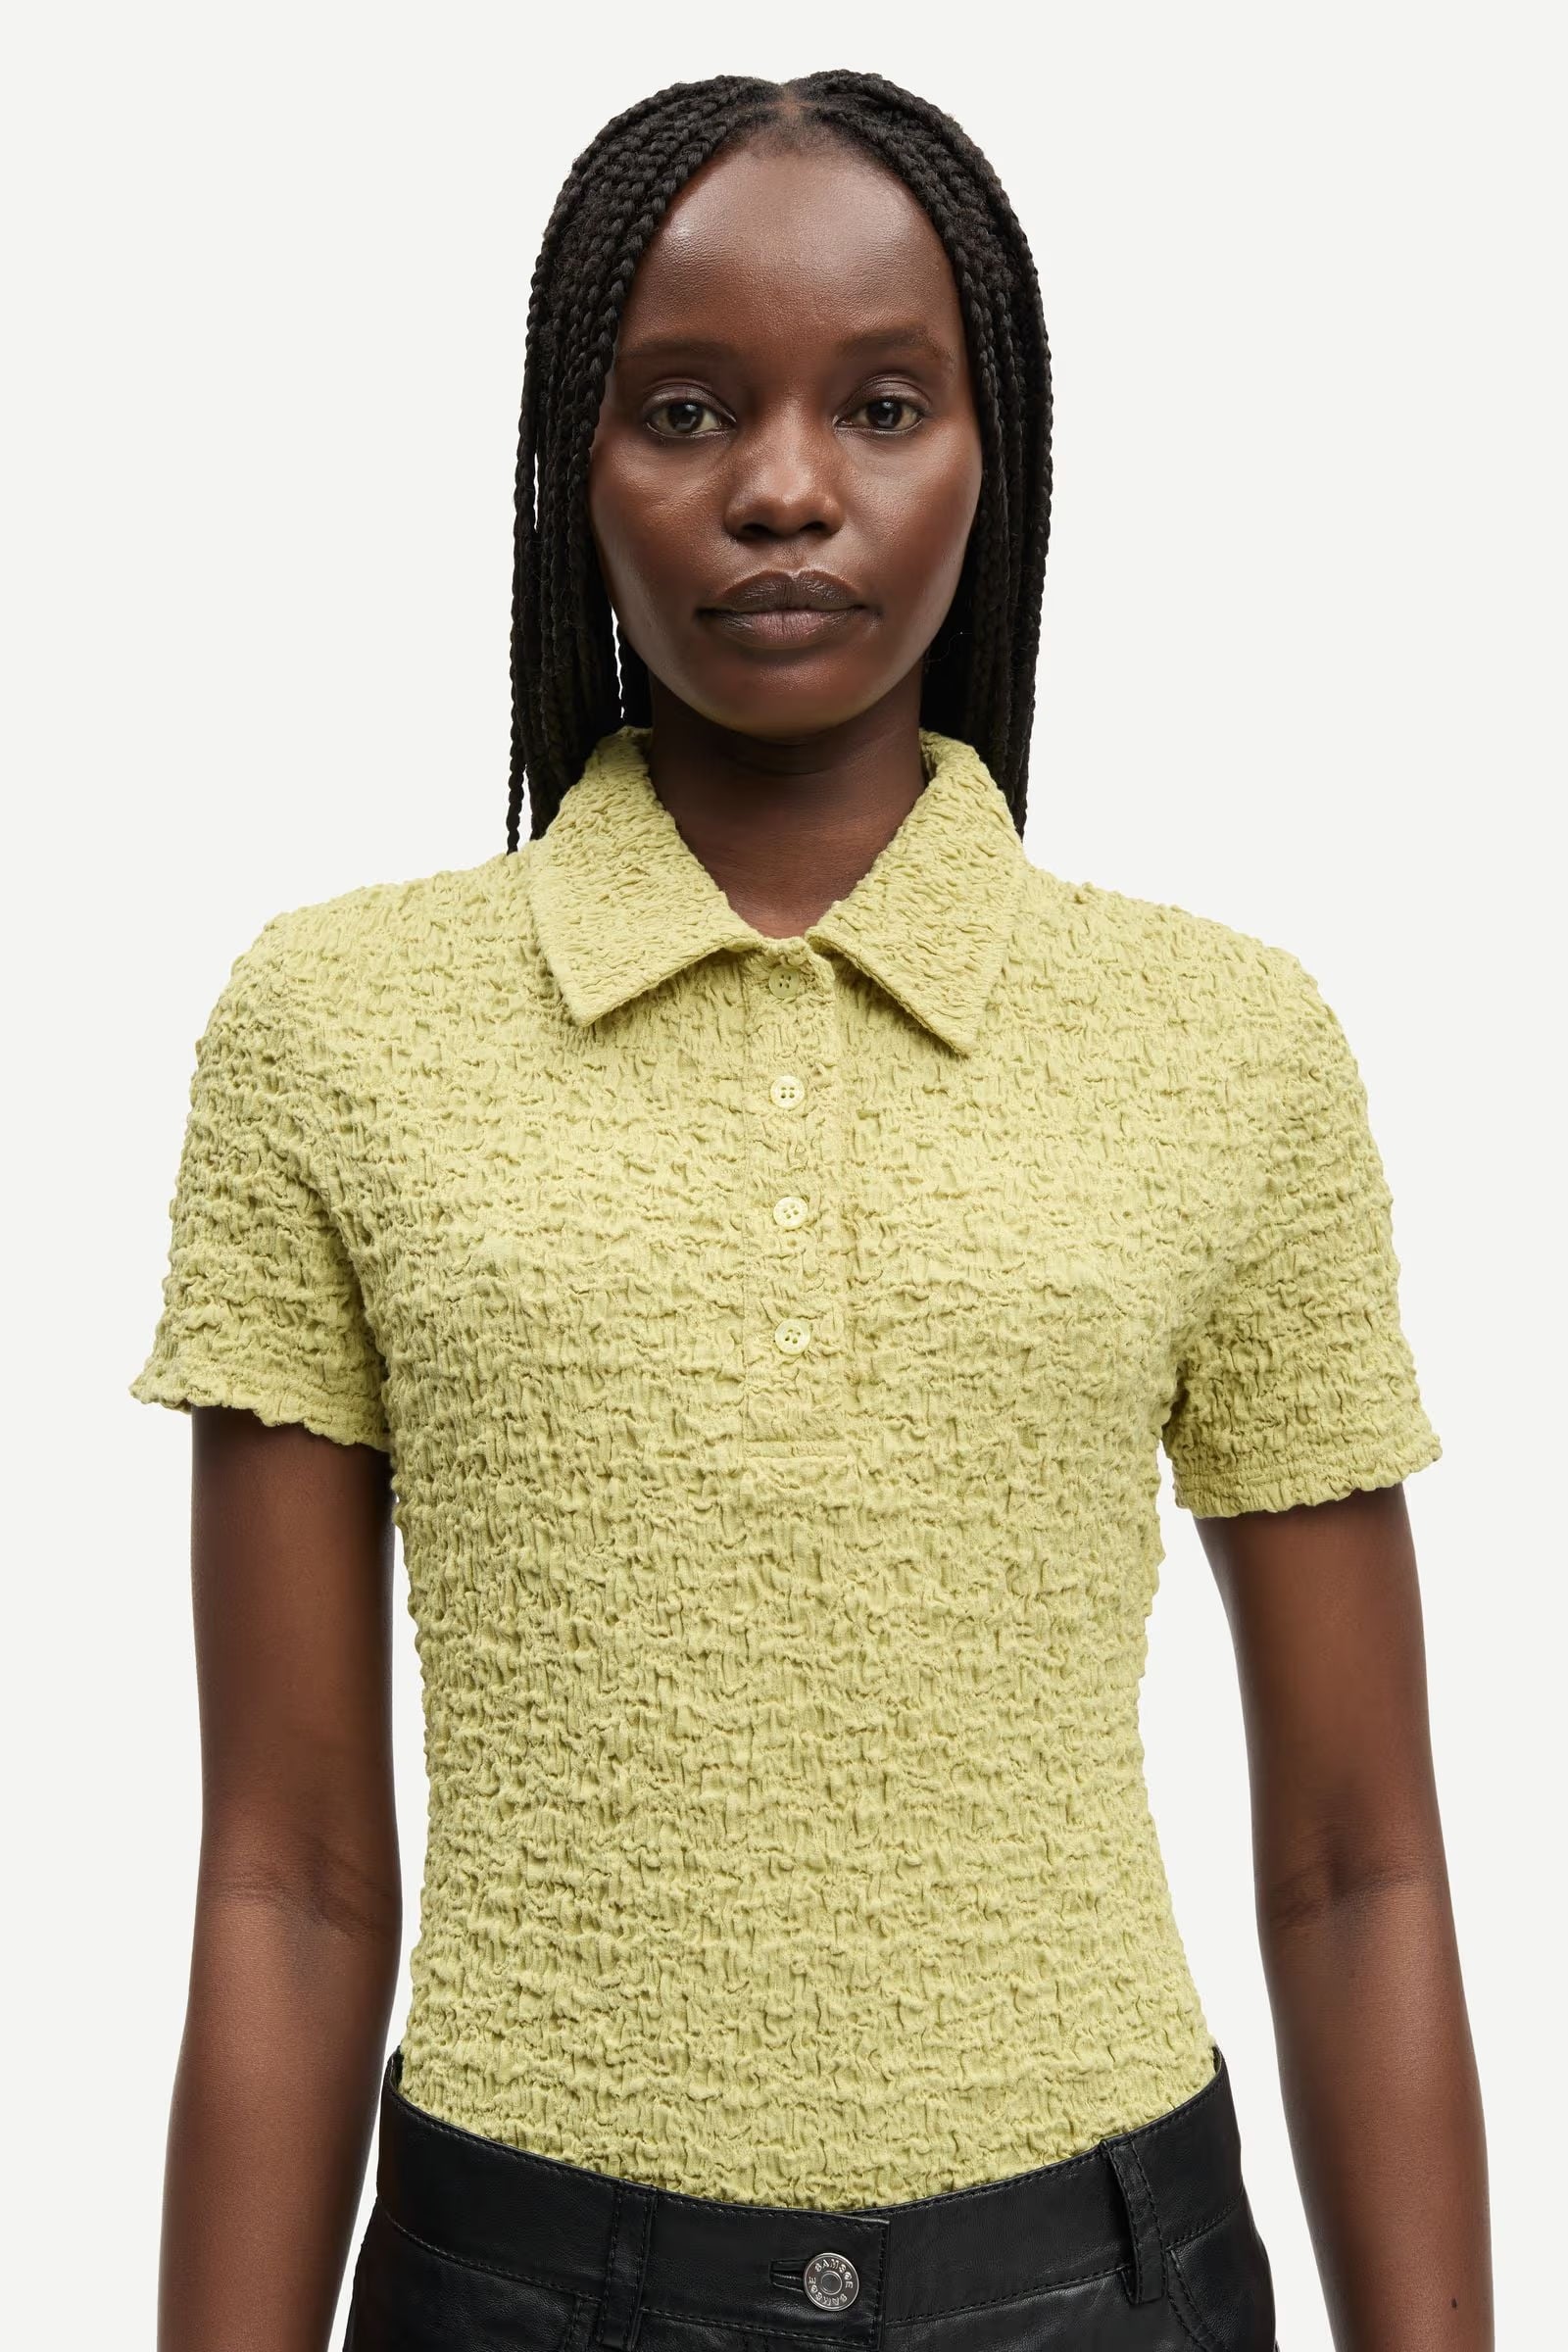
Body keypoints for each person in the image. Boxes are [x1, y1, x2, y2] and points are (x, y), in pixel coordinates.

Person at [128, 69, 1492, 2352]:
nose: (781, 486)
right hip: (516, 2283)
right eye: (683, 410)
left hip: (1096, 2285)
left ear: (991, 458)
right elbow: (288, 1873)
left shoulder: (1224, 1044)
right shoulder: (335, 1028)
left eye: (879, 405)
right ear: (572, 467)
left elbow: (1357, 1864)